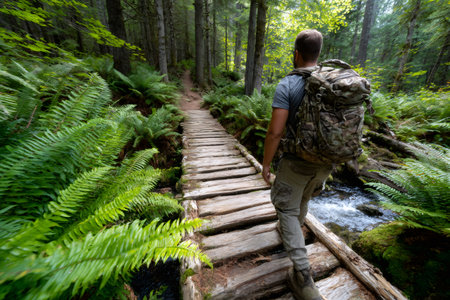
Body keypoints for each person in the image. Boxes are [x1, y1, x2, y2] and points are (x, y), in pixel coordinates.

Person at [262, 29, 332, 300]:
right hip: (326, 162)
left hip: (296, 161)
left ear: (296, 53)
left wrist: (266, 165)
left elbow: (275, 132)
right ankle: (291, 232)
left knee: (286, 209)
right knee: (303, 198)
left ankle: (303, 277)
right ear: (318, 54)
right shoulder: (331, 83)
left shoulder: (288, 85)